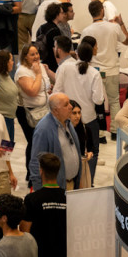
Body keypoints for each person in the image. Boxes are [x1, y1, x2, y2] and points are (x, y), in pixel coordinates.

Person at [53, 42, 104, 180]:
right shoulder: (94, 73)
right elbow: (99, 99)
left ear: (76, 53)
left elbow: (56, 91)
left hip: (67, 118)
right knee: (92, 152)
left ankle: (69, 180)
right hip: (88, 117)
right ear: (92, 55)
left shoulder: (65, 68)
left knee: (67, 150)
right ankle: (88, 181)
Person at [82, 0, 128, 138]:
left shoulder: (86, 31)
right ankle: (115, 132)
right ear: (102, 11)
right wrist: (120, 23)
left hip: (95, 70)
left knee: (96, 101)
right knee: (114, 100)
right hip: (112, 69)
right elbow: (126, 40)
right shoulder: (114, 27)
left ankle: (100, 133)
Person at [21, 153, 67, 257]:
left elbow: (24, 231)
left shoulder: (32, 199)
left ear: (41, 170)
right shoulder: (68, 197)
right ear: (58, 171)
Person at [15, 42, 53, 184]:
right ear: (25, 56)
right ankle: (31, 174)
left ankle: (40, 171)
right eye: (32, 54)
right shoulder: (22, 72)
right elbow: (32, 91)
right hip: (29, 113)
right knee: (34, 142)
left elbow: (46, 85)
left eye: (37, 53)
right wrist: (38, 73)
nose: (36, 56)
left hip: (44, 110)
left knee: (40, 142)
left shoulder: (41, 66)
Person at [29, 94, 82, 190]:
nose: (71, 107)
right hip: (56, 188)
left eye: (69, 103)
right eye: (66, 105)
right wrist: (39, 192)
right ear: (56, 110)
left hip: (72, 183)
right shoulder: (44, 129)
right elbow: (35, 162)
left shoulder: (68, 123)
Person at [35, 2, 67, 72]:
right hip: (52, 64)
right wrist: (60, 66)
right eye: (61, 13)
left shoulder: (42, 27)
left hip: (43, 61)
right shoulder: (55, 30)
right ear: (56, 15)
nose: (63, 15)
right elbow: (55, 50)